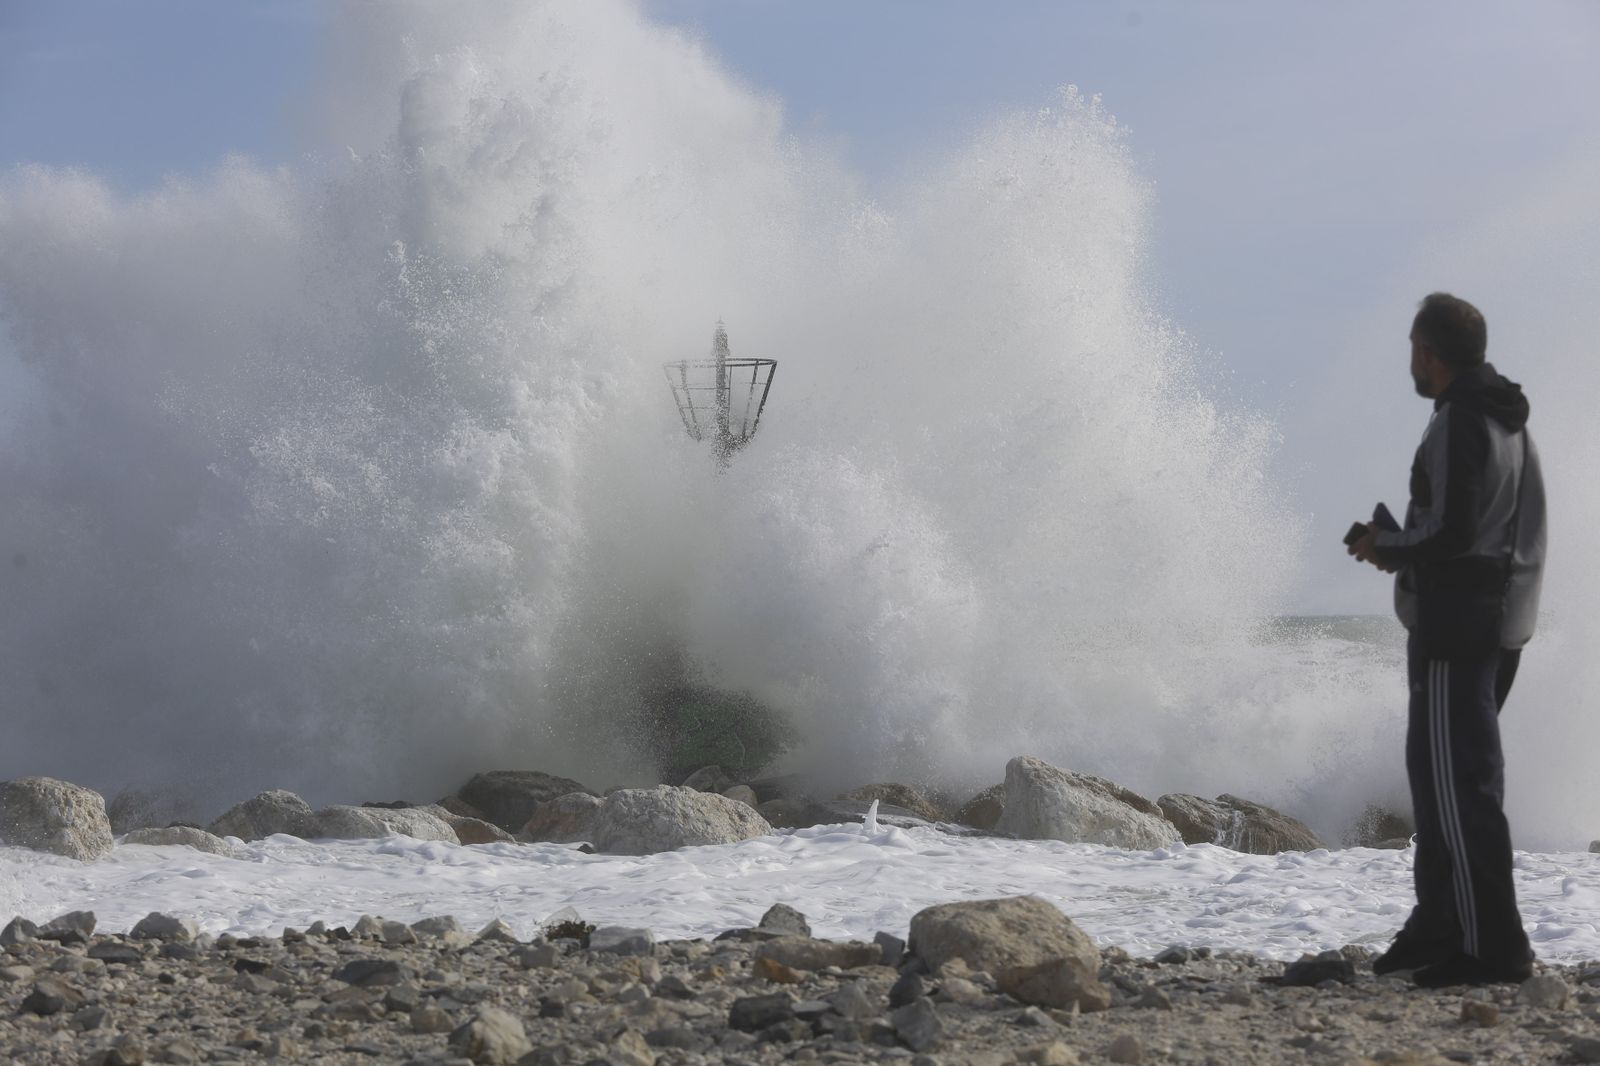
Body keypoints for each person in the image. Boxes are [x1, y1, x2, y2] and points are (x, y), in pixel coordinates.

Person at [1348, 292, 1546, 987]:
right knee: (1442, 784)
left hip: (1459, 627)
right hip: (1496, 622)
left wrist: (1386, 546)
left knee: (1461, 790)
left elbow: (1456, 532)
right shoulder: (1505, 418)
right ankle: (1439, 926)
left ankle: (1492, 949)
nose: (1411, 360)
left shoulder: (1463, 419)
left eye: (1412, 347)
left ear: (1428, 354)